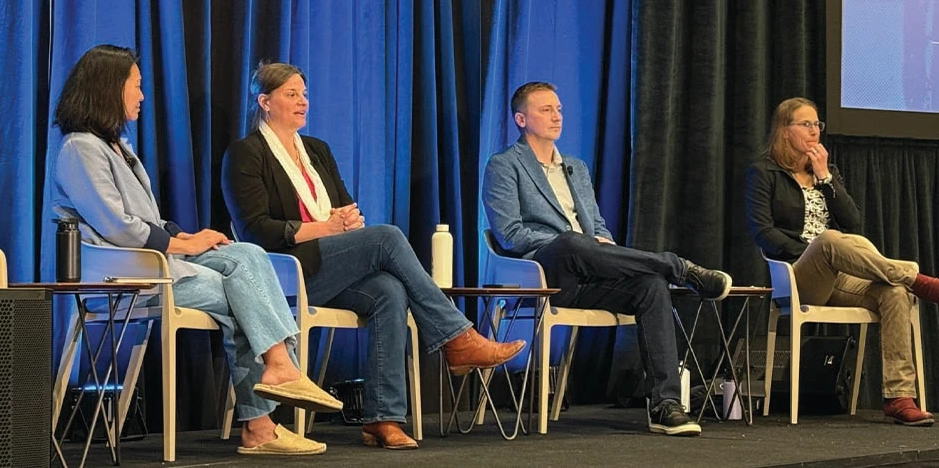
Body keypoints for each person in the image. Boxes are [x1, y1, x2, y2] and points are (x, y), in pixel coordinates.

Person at [50, 45, 344, 456]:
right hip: (126, 273)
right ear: (108, 89)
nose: (142, 95)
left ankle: (277, 374)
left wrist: (188, 238)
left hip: (160, 260)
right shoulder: (80, 148)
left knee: (248, 255)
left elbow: (145, 217)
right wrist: (178, 244)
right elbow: (116, 224)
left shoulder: (117, 144)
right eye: (136, 86)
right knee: (245, 296)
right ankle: (265, 412)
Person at [221, 62, 526, 450]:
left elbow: (345, 207)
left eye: (304, 94)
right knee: (386, 238)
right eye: (291, 94)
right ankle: (457, 338)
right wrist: (325, 228)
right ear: (265, 102)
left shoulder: (316, 150)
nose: (302, 102)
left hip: (325, 263)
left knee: (388, 289)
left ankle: (382, 418)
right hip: (279, 273)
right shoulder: (245, 154)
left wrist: (348, 219)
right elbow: (254, 231)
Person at [482, 81, 733, 437]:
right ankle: (682, 268)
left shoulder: (576, 168)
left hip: (589, 270)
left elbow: (596, 225)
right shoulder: (504, 166)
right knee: (571, 243)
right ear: (522, 119)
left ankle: (664, 404)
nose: (557, 117)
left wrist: (601, 243)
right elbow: (510, 233)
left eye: (559, 109)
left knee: (649, 285)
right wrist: (573, 242)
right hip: (545, 273)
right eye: (546, 110)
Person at [746, 96, 939, 426]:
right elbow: (763, 232)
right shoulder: (764, 172)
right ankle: (915, 277)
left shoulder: (826, 172)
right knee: (830, 240)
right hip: (797, 275)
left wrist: (824, 178)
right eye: (805, 124)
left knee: (893, 293)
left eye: (817, 124)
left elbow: (853, 222)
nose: (814, 131)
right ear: (784, 130)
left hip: (836, 274)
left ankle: (898, 397)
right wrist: (811, 248)